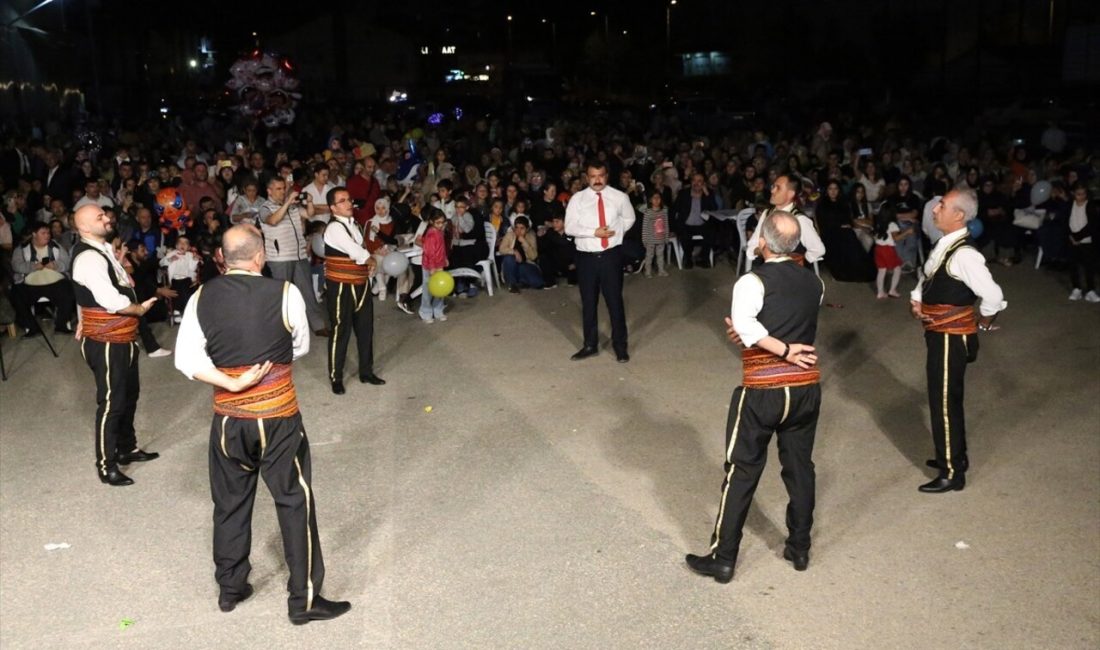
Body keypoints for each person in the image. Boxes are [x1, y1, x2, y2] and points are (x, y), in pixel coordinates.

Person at [174, 225, 351, 624]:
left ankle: (231, 588)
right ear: (260, 257)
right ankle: (303, 600)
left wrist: (232, 382)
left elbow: (186, 360)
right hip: (278, 418)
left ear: (222, 258)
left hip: (229, 420)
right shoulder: (284, 294)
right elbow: (301, 346)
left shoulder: (200, 296)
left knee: (230, 502)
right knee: (293, 499)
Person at [686, 212, 824, 583]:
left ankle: (724, 557)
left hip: (765, 391)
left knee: (742, 470)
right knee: (800, 468)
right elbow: (758, 326)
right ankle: (799, 546)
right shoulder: (814, 282)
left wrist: (779, 348)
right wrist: (750, 336)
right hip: (806, 389)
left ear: (763, 241)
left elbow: (749, 324)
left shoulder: (752, 280)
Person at [910, 189, 1007, 493]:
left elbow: (993, 296)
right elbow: (929, 275)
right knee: (943, 398)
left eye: (942, 206)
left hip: (952, 338)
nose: (935, 209)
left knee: (944, 402)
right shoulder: (946, 243)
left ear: (959, 216)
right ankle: (953, 456)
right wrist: (917, 299)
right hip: (940, 334)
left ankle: (952, 472)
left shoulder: (965, 254)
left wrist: (984, 321)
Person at [70, 204, 160, 486]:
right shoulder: (88, 257)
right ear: (84, 227)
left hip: (123, 336)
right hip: (106, 339)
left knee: (130, 394)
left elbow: (87, 289)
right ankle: (106, 464)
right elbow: (111, 300)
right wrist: (138, 309)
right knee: (112, 402)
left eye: (105, 215)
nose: (107, 218)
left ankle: (126, 448)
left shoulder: (103, 248)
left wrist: (81, 315)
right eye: (100, 217)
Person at [564, 161, 636, 363]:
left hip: (610, 256)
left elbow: (629, 219)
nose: (597, 180)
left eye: (601, 175)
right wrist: (593, 233)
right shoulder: (577, 199)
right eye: (593, 176)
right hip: (586, 257)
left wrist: (615, 233)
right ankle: (590, 345)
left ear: (607, 175)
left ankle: (620, 347)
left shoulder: (619, 197)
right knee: (588, 303)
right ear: (586, 177)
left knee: (615, 302)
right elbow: (569, 227)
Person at [322, 187, 384, 394]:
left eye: (349, 199)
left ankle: (366, 372)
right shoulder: (334, 228)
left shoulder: (354, 224)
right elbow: (355, 250)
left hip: (360, 283)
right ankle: (336, 377)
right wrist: (370, 259)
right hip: (341, 286)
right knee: (341, 330)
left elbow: (362, 247)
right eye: (342, 201)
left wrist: (369, 262)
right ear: (332, 208)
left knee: (366, 329)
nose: (348, 203)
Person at [258, 177, 329, 336]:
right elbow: (273, 221)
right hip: (279, 258)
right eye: (278, 189)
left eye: (284, 188)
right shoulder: (264, 207)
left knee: (308, 292)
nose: (283, 191)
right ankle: (280, 331)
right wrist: (287, 203)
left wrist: (309, 202)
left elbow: (309, 214)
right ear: (269, 191)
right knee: (282, 295)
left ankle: (318, 325)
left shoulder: (292, 206)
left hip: (299, 255)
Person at [10, 222, 76, 336]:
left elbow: (67, 263)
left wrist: (55, 265)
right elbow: (16, 265)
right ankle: (31, 327)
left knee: (69, 290)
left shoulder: (56, 246)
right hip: (30, 285)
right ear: (34, 234)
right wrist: (33, 266)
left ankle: (61, 325)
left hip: (55, 282)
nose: (47, 235)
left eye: (48, 233)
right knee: (16, 293)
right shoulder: (22, 248)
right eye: (43, 233)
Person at [745, 176, 825, 269]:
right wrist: (765, 252)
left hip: (792, 272)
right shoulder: (767, 213)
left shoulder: (799, 219)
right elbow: (753, 244)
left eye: (778, 188)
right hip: (769, 269)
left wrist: (799, 261)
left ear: (790, 194)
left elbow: (818, 249)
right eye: (773, 186)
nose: (772, 191)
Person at [1067, 183, 1099, 302]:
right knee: (1073, 265)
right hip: (1072, 240)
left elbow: (1092, 225)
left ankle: (1090, 290)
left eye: (1083, 194)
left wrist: (1078, 237)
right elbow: (1066, 221)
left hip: (1086, 241)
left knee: (1088, 266)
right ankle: (1076, 288)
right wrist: (1071, 237)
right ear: (1073, 194)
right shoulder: (1070, 205)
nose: (1081, 196)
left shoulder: (1090, 206)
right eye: (1078, 194)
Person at [872, 205, 909, 299]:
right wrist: (907, 232)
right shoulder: (892, 224)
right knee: (897, 269)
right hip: (888, 249)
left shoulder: (878, 222)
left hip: (878, 248)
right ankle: (892, 290)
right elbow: (896, 238)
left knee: (881, 270)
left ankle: (880, 292)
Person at [498, 215, 543, 292]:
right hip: (512, 265)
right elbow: (501, 249)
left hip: (526, 265)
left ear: (527, 229)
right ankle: (512, 284)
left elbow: (534, 256)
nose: (518, 231)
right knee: (509, 258)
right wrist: (514, 252)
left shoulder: (531, 236)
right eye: (517, 227)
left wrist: (524, 242)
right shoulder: (510, 235)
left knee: (538, 283)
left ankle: (521, 281)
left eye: (522, 228)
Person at [419, 208, 449, 323]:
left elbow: (441, 249)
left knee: (440, 289)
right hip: (429, 267)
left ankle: (438, 310)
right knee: (428, 290)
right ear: (431, 222)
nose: (441, 225)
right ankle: (425, 312)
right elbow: (429, 252)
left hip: (439, 264)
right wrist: (432, 267)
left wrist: (444, 258)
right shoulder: (431, 234)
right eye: (438, 223)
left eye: (442, 222)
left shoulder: (440, 232)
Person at [640, 189, 669, 277]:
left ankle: (661, 270)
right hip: (650, 240)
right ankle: (647, 271)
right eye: (654, 198)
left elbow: (666, 225)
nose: (656, 200)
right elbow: (644, 227)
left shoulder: (664, 211)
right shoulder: (648, 212)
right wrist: (644, 239)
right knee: (649, 256)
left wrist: (666, 237)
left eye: (658, 198)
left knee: (660, 256)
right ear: (650, 200)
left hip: (661, 239)